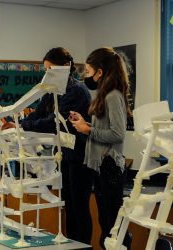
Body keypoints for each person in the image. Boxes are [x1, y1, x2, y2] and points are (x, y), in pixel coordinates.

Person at [2, 47, 92, 243]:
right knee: (69, 207)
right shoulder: (52, 90)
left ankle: (81, 246)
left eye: (51, 69)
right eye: (46, 70)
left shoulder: (77, 90)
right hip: (65, 155)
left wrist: (24, 125)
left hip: (81, 157)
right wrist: (18, 124)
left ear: (67, 66)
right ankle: (72, 244)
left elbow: (53, 122)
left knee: (79, 208)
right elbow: (39, 113)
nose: (48, 74)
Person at [69, 47, 131, 249]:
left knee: (113, 226)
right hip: (101, 166)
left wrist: (88, 130)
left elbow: (117, 134)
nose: (86, 76)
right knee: (106, 223)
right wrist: (84, 125)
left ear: (100, 72)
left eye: (88, 71)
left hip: (110, 167)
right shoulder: (104, 95)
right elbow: (101, 130)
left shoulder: (113, 96)